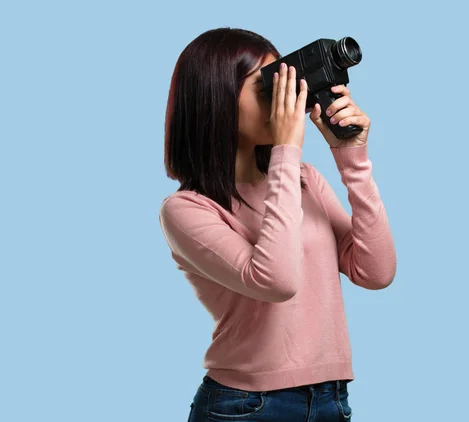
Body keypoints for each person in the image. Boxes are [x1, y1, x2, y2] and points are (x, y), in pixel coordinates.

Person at [159, 27, 396, 422]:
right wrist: (287, 150)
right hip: (244, 406)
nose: (285, 98)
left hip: (330, 399)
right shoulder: (187, 210)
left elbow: (376, 272)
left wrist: (352, 159)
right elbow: (277, 281)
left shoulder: (303, 180)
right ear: (215, 100)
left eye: (285, 81)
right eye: (266, 87)